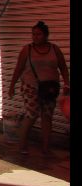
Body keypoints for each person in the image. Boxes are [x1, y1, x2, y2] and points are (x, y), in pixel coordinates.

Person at [8, 21, 70, 155]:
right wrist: (12, 85)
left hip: (49, 88)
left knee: (47, 116)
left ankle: (46, 148)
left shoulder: (54, 49)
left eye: (39, 34)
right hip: (31, 87)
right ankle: (22, 145)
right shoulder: (27, 49)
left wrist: (66, 84)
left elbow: (63, 68)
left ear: (46, 35)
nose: (35, 37)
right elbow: (19, 68)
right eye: (33, 34)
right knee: (32, 114)